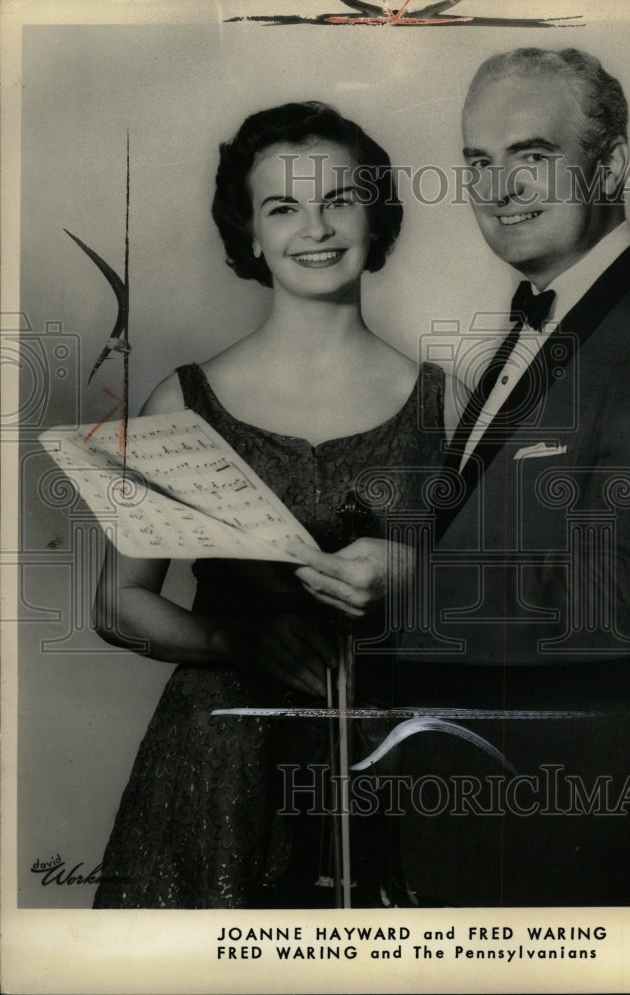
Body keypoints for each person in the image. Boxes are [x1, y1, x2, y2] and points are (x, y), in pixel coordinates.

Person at [293, 48, 630, 906]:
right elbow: (507, 532)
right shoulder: (554, 319)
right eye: (478, 164)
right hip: (480, 830)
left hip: (569, 850)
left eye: (531, 156)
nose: (501, 191)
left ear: (607, 164)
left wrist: (418, 582)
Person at [91, 101, 455, 909]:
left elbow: (485, 595)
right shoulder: (179, 402)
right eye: (283, 207)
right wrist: (234, 636)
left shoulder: (447, 402)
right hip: (215, 771)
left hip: (389, 762)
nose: (315, 228)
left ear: (376, 215)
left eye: (339, 200)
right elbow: (119, 604)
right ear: (250, 234)